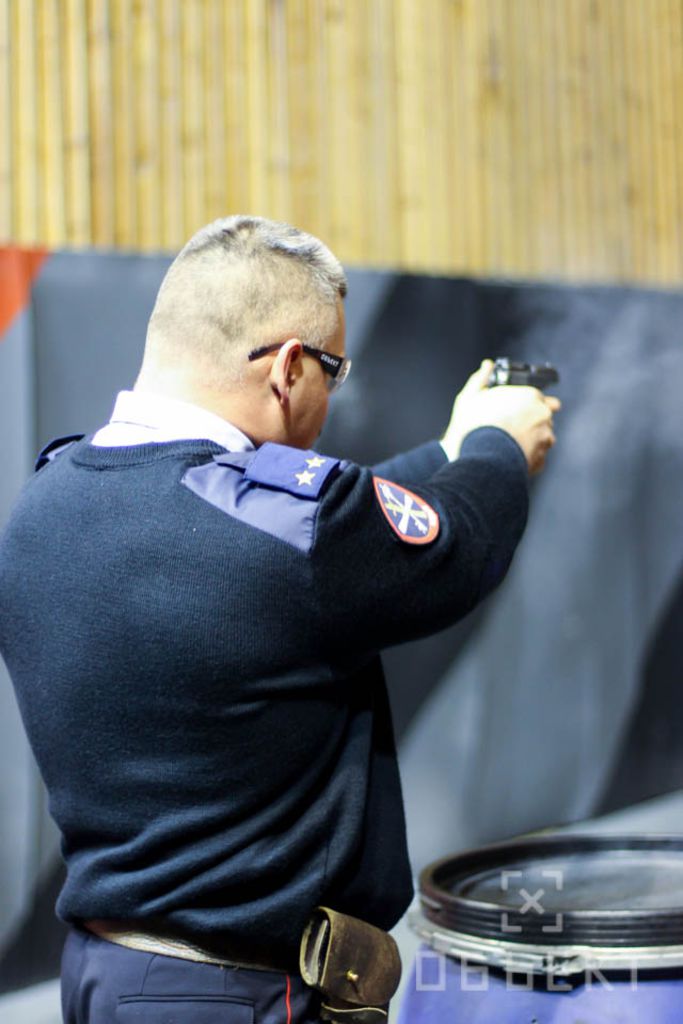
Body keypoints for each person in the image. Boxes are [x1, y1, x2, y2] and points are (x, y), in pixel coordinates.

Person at [0, 216, 559, 1024]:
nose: (333, 395)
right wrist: (495, 445)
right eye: (333, 369)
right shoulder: (285, 535)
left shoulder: (47, 501)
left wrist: (448, 450)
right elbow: (455, 547)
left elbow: (317, 533)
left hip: (108, 974)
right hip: (241, 993)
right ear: (289, 367)